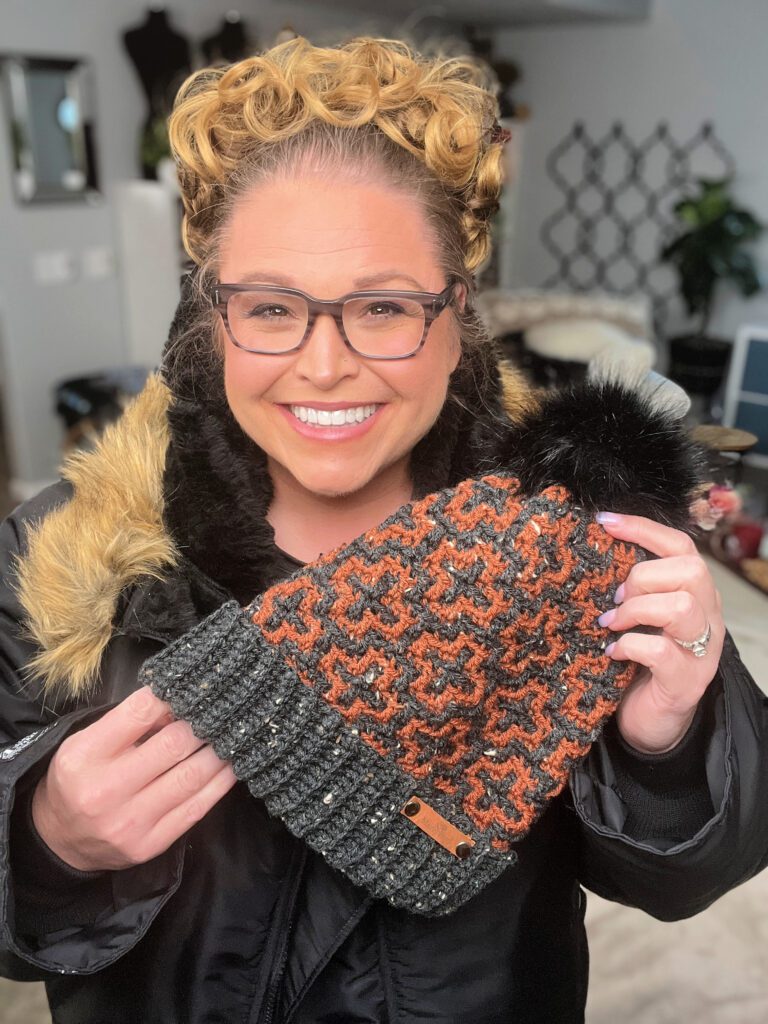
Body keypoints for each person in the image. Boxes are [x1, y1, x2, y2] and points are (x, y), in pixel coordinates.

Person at [1, 36, 766, 1024]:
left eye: (384, 306)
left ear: (459, 317)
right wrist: (46, 832)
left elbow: (692, 872)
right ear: (213, 314)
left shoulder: (581, 535)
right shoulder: (58, 561)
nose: (325, 365)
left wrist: (673, 743)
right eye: (272, 307)